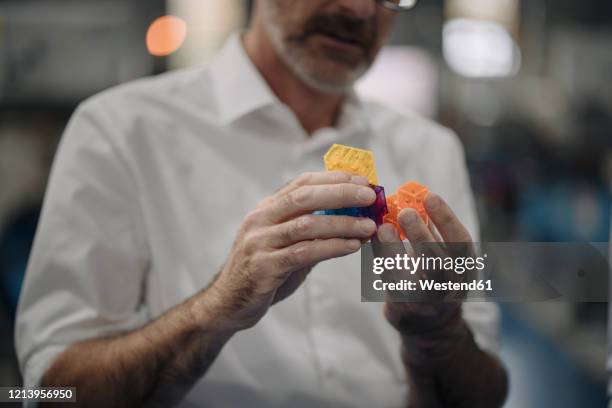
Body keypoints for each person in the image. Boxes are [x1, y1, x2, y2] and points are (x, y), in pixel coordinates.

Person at [15, 0, 508, 406]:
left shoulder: (432, 150)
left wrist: (437, 332)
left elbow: (486, 392)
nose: (360, 10)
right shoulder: (120, 132)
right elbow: (51, 390)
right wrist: (214, 311)